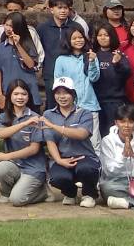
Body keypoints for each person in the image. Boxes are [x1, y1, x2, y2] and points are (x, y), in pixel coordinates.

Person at [41, 78, 100, 207]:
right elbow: (50, 141)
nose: (62, 97)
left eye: (66, 92)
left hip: (84, 156)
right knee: (57, 178)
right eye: (58, 93)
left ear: (73, 94)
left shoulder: (84, 113)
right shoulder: (48, 114)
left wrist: (53, 126)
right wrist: (59, 160)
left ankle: (89, 194)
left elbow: (81, 134)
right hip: (62, 158)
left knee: (87, 169)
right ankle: (71, 193)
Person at [0, 83, 48, 207]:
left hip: (33, 168)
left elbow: (34, 149)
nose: (20, 97)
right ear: (10, 96)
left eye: (24, 94)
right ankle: (6, 192)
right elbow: (1, 134)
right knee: (1, 168)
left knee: (17, 200)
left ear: (28, 97)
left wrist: (7, 156)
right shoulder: (4, 117)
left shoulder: (35, 118)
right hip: (15, 165)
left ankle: (43, 192)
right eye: (16, 94)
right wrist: (24, 124)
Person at [90, 23, 132, 136]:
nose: (103, 38)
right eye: (100, 35)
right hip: (97, 103)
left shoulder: (119, 55)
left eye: (106, 35)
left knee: (115, 135)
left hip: (116, 102)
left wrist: (117, 63)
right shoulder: (93, 56)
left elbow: (127, 73)